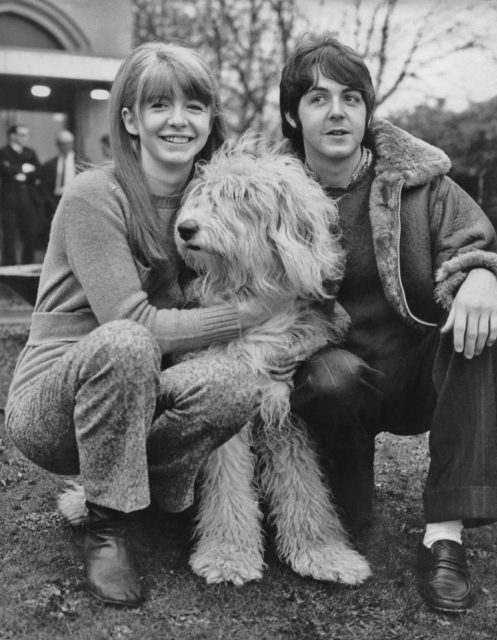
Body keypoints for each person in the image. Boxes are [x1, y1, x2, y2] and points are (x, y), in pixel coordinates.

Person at [5, 42, 274, 608]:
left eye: (195, 106)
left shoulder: (207, 201)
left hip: (142, 392)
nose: (179, 120)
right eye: (159, 106)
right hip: (56, 404)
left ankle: (151, 497)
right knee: (128, 341)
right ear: (130, 119)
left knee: (238, 384)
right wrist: (247, 315)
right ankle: (108, 527)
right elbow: (136, 322)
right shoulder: (92, 196)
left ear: (210, 119)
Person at [280, 34, 497, 614]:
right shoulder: (270, 194)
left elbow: (474, 245)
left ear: (367, 110)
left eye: (351, 98)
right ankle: (343, 501)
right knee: (352, 520)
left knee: (489, 324)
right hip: (331, 382)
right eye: (318, 99)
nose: (338, 112)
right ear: (292, 114)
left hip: (420, 371)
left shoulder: (416, 181)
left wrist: (484, 276)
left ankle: (445, 536)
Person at [0, 124, 45, 264]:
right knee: (9, 235)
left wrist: (19, 173)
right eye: (22, 135)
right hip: (10, 199)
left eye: (27, 135)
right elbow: (5, 170)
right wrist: (22, 168)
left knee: (29, 234)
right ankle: (9, 266)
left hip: (28, 198)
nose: (26, 138)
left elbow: (37, 171)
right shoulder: (3, 152)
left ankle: (28, 264)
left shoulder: (30, 152)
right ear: (12, 136)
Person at [40, 130, 87, 248]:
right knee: (55, 234)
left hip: (75, 199)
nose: (66, 146)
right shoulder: (49, 164)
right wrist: (50, 202)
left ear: (73, 144)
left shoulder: (82, 161)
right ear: (58, 145)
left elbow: (87, 183)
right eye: (62, 143)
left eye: (68, 143)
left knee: (75, 232)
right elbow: (44, 187)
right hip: (54, 201)